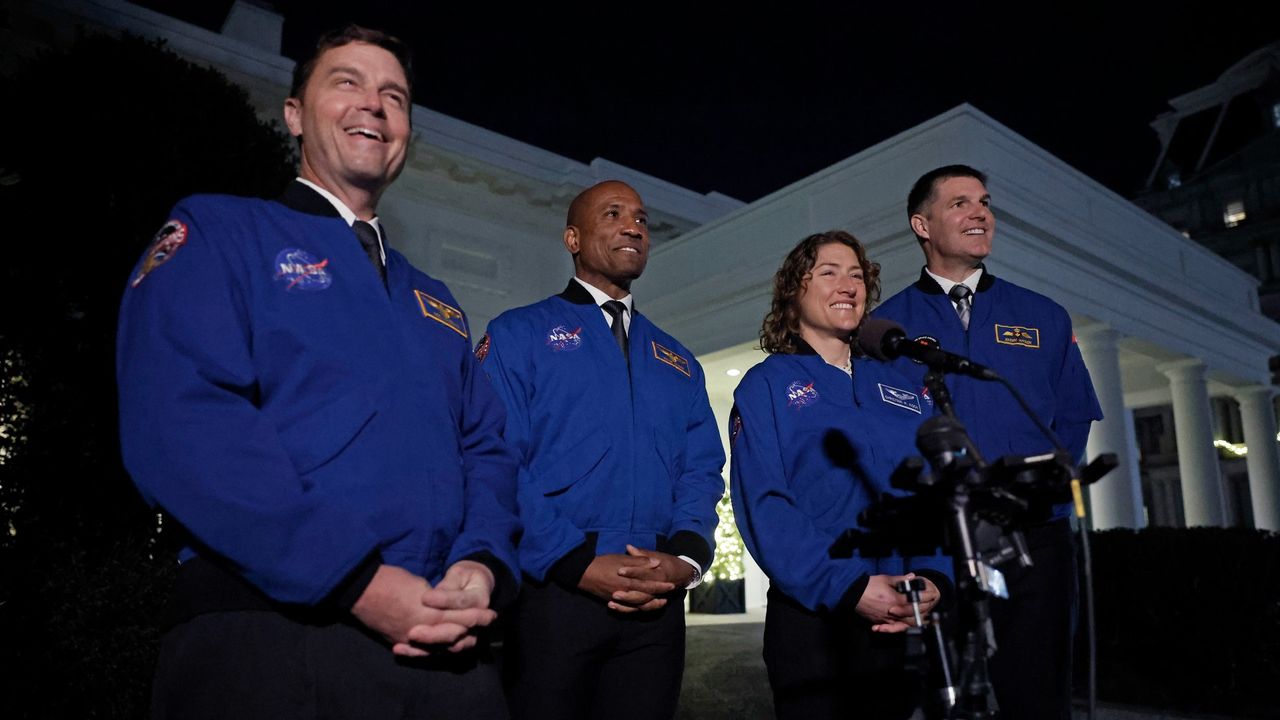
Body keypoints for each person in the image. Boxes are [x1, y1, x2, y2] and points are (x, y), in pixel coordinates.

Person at [117, 25, 520, 719]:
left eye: (394, 95)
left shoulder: (436, 300)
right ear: (295, 113)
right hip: (269, 639)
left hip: (449, 647)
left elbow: (485, 446)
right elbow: (181, 419)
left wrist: (481, 564)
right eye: (347, 82)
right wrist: (355, 579)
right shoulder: (222, 233)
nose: (374, 104)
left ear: (406, 134)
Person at [476, 180, 726, 720]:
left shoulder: (676, 358)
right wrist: (572, 562)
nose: (634, 225)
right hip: (556, 592)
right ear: (573, 237)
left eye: (640, 217)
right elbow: (495, 459)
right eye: (613, 214)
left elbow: (703, 468)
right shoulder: (519, 333)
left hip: (658, 600)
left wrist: (685, 556)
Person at [875, 165, 1102, 719]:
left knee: (1040, 700)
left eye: (984, 202)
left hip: (1035, 540)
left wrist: (1037, 491)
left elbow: (1074, 416)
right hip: (938, 547)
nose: (980, 213)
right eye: (959, 203)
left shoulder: (1043, 316)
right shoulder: (886, 328)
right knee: (945, 703)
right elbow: (880, 437)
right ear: (921, 224)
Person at [729, 230, 953, 719]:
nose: (848, 285)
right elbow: (764, 505)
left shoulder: (900, 383)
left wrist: (936, 577)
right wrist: (847, 586)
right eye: (828, 273)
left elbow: (933, 492)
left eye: (856, 274)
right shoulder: (766, 384)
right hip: (814, 618)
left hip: (901, 612)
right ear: (795, 291)